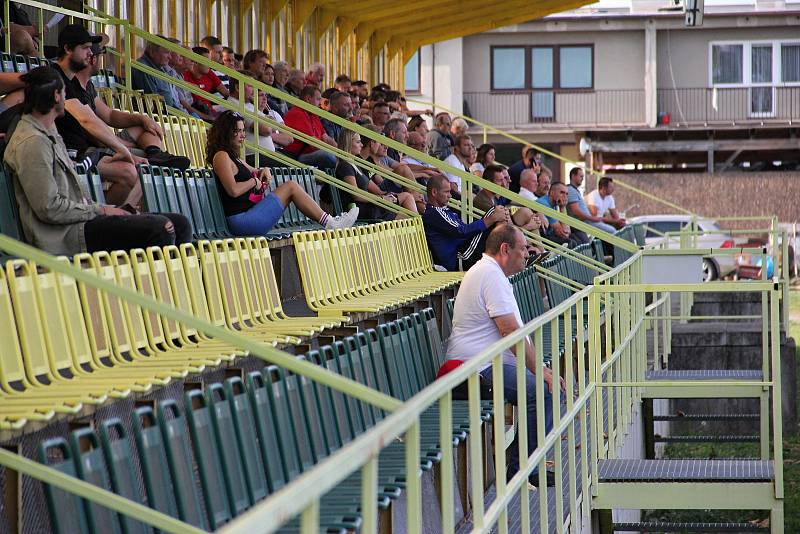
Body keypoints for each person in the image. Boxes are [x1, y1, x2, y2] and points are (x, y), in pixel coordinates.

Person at [5, 67, 191, 256]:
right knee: (160, 228)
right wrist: (100, 210)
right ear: (56, 96)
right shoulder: (32, 142)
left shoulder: (49, 133)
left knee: (180, 223)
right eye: (64, 92)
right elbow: (49, 208)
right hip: (65, 236)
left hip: (81, 222)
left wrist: (106, 210)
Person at [445, 223, 564, 486]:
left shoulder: (492, 273)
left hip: (486, 362)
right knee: (542, 390)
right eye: (522, 249)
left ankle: (524, 463)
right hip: (475, 368)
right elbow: (510, 331)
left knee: (545, 387)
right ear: (504, 249)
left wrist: (539, 368)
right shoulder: (489, 274)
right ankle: (522, 471)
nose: (527, 253)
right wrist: (539, 371)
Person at [54, 25, 188, 205]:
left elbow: (108, 115)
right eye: (86, 49)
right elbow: (88, 122)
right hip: (76, 153)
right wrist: (121, 148)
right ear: (68, 49)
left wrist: (142, 118)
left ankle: (155, 155)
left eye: (90, 50)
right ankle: (110, 218)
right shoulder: (58, 78)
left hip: (91, 148)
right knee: (133, 172)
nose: (93, 56)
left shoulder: (82, 84)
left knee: (147, 160)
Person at [208, 110, 358, 235]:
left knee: (291, 186)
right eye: (238, 131)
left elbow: (255, 170)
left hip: (250, 214)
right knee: (291, 186)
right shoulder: (221, 156)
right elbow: (233, 190)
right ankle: (331, 223)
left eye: (242, 130)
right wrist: (254, 181)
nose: (243, 135)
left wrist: (263, 170)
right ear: (227, 133)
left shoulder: (233, 157)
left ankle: (331, 222)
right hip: (242, 221)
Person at [422, 174, 507, 271]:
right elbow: (461, 231)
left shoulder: (442, 211)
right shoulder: (434, 213)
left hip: (462, 251)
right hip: (460, 258)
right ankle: (510, 254)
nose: (450, 195)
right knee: (494, 212)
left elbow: (463, 230)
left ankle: (511, 253)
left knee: (498, 212)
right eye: (447, 192)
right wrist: (492, 218)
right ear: (434, 192)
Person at [335, 129, 418, 221]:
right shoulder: (345, 166)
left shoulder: (355, 164)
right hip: (362, 210)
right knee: (408, 205)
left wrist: (387, 195)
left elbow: (375, 189)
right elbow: (357, 195)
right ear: (348, 143)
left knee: (408, 204)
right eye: (358, 142)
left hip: (370, 206)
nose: (361, 145)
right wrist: (382, 198)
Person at [282, 85, 337, 169]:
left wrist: (340, 152)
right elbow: (314, 144)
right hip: (298, 156)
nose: (320, 103)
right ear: (308, 99)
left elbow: (326, 139)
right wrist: (336, 154)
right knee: (328, 156)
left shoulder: (313, 114)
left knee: (341, 159)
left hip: (311, 153)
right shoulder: (297, 113)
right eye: (318, 99)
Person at [566, 167, 618, 235]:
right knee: (612, 230)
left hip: (588, 221)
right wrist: (592, 218)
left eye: (583, 176)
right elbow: (575, 211)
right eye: (581, 176)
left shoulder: (574, 190)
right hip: (586, 222)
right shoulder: (571, 190)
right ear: (573, 176)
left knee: (615, 229)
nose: (582, 179)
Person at [537, 182, 588, 247]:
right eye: (562, 192)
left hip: (548, 235)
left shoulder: (554, 204)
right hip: (540, 239)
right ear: (552, 193)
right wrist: (562, 207)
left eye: (567, 194)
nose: (565, 196)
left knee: (577, 239)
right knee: (571, 242)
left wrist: (562, 207)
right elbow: (563, 233)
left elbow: (567, 231)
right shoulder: (544, 204)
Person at [131, 39, 178, 108]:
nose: (169, 57)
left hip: (170, 114)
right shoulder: (143, 69)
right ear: (152, 52)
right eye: (166, 52)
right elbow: (153, 103)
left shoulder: (159, 68)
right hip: (160, 116)